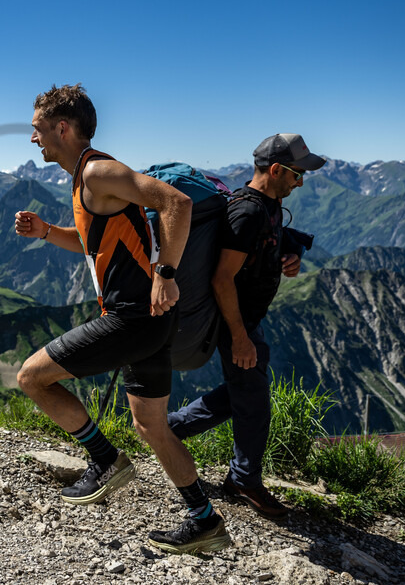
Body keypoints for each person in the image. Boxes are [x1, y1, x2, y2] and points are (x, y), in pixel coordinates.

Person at [14, 84, 229, 556]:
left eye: (37, 129)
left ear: (63, 127)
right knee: (152, 425)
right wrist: (47, 232)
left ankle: (105, 460)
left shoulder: (97, 171)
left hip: (133, 318)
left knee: (31, 377)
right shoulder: (86, 178)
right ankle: (205, 520)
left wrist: (165, 273)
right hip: (151, 321)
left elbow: (177, 203)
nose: (33, 139)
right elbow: (95, 242)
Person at [166, 133, 325, 520]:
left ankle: (167, 430)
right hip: (233, 320)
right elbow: (222, 278)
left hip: (247, 319)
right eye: (296, 174)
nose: (300, 182)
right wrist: (239, 337)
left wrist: (290, 254)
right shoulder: (248, 211)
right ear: (275, 170)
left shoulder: (268, 206)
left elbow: (265, 244)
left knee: (246, 391)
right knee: (253, 401)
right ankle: (243, 480)